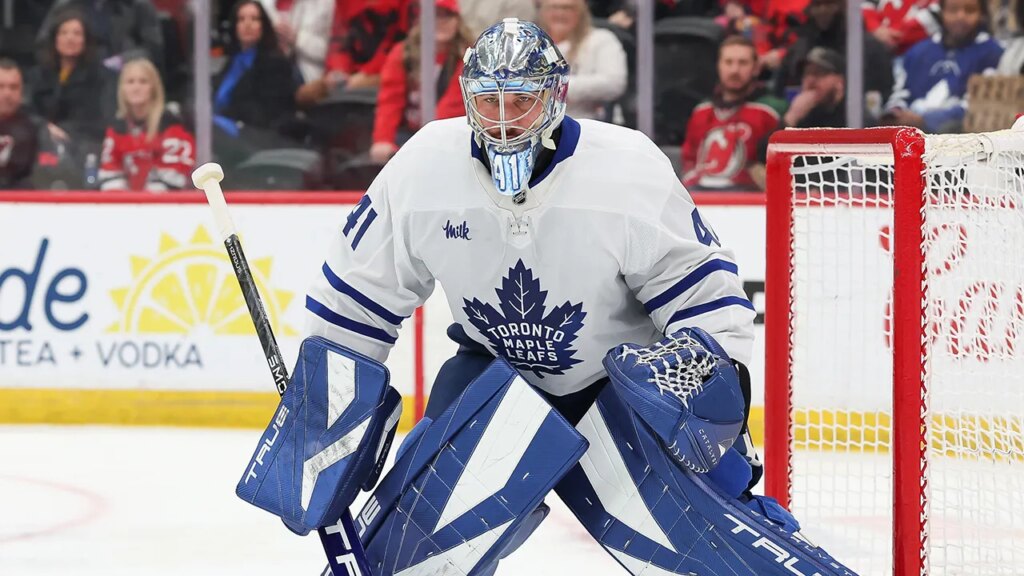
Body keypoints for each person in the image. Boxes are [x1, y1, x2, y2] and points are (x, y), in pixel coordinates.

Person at [301, 19, 853, 576]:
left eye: (521, 100)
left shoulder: (626, 168)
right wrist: (326, 411)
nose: (503, 120)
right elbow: (354, 298)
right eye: (489, 101)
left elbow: (704, 295)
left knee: (720, 550)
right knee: (403, 551)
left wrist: (702, 384)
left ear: (555, 97)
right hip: (491, 376)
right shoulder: (423, 167)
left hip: (619, 385)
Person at [369, 0, 473, 164]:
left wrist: (426, 144)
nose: (441, 22)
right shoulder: (403, 53)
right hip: (408, 134)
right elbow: (390, 100)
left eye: (447, 16)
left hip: (451, 136)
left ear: (458, 21)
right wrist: (383, 139)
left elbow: (452, 106)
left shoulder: (469, 57)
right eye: (434, 16)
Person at [681, 36, 785, 190]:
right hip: (701, 195)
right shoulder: (701, 111)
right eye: (728, 62)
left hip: (748, 198)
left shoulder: (770, 111)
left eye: (743, 63)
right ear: (719, 66)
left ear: (756, 68)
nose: (734, 70)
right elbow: (689, 160)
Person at [883, 0, 1003, 133]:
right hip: (910, 132)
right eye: (953, 10)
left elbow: (980, 104)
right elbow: (901, 94)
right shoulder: (918, 51)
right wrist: (895, 114)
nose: (960, 16)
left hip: (960, 135)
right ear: (941, 13)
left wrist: (925, 120)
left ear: (982, 14)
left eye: (970, 10)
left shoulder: (992, 52)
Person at [213, 0, 299, 164]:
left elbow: (266, 115)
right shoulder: (232, 61)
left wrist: (225, 117)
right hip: (218, 131)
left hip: (253, 138)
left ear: (263, 25)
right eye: (241, 19)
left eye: (254, 19)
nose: (248, 24)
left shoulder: (275, 63)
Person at [98, 58, 195, 191]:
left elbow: (172, 181)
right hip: (129, 202)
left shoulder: (171, 125)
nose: (136, 88)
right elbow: (109, 176)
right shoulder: (117, 128)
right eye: (130, 82)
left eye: (143, 82)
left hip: (168, 202)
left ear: (153, 88)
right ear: (122, 89)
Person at [29, 10, 108, 150]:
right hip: (42, 141)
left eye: (77, 34)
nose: (70, 39)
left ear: (85, 40)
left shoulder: (99, 75)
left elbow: (95, 119)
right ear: (55, 39)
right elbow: (29, 112)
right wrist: (45, 127)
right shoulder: (39, 74)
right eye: (64, 33)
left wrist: (63, 131)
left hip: (82, 143)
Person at [539, 0, 628, 120]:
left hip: (584, 120)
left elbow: (614, 83)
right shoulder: (531, 43)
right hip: (532, 122)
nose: (560, 13)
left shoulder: (602, 39)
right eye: (554, 7)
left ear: (582, 11)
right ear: (543, 12)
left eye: (567, 8)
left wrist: (557, 86)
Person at [35, 0, 164, 74]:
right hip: (74, 80)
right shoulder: (66, 5)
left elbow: (153, 49)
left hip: (123, 78)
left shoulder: (137, 5)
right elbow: (43, 45)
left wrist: (122, 61)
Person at [257, 0, 334, 83]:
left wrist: (296, 38)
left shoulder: (326, 4)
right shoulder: (266, 4)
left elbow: (331, 53)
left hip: (308, 73)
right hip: (273, 61)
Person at [779, 46, 849, 128]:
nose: (810, 80)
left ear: (840, 80)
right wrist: (792, 117)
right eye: (806, 73)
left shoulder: (853, 112)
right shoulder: (804, 113)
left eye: (819, 73)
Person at [0, 59, 39, 189]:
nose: (7, 94)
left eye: (13, 87)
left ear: (22, 91)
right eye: (0, 86)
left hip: (19, 197)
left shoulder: (35, 129)